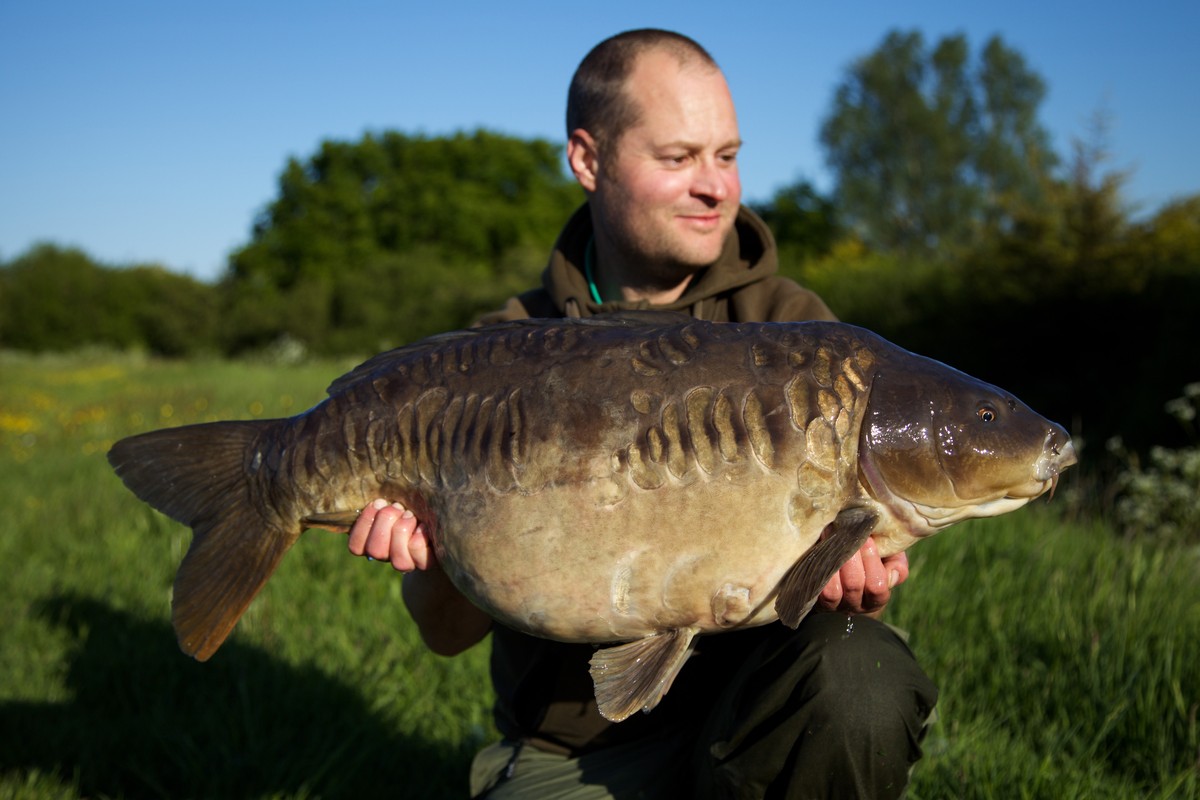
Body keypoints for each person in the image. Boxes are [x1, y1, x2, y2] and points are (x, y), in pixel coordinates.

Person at [347, 29, 937, 799]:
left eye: (726, 157)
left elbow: (884, 540)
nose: (717, 187)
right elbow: (446, 635)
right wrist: (431, 554)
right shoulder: (499, 357)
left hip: (750, 722)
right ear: (588, 161)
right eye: (679, 157)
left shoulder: (795, 333)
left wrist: (869, 573)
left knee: (861, 671)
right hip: (576, 747)